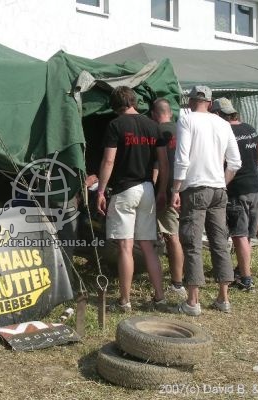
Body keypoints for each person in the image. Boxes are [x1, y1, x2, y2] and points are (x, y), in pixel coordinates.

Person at [170, 86, 241, 316]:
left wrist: (175, 189)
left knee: (192, 242)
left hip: (195, 188)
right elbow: (235, 162)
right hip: (218, 189)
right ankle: (223, 297)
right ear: (210, 103)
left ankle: (193, 301)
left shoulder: (187, 120)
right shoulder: (223, 123)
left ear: (191, 101)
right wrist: (222, 181)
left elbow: (182, 158)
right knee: (219, 241)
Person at [97, 86, 168, 312]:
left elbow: (109, 161)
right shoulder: (153, 125)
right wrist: (162, 190)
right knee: (148, 246)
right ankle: (160, 297)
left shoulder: (115, 125)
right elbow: (163, 163)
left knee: (125, 247)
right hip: (147, 188)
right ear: (134, 101)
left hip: (124, 190)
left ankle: (125, 301)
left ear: (115, 105)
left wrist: (100, 191)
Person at [211, 98, 258, 292]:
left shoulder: (224, 131)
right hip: (256, 187)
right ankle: (242, 270)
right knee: (246, 234)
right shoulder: (250, 129)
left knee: (239, 235)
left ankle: (246, 279)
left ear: (218, 114)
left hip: (237, 189)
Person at [151, 98, 186, 298]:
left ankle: (177, 283)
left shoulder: (157, 131)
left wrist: (161, 191)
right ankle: (185, 277)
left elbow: (159, 165)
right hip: (186, 188)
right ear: (171, 113)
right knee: (183, 235)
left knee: (172, 237)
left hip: (170, 190)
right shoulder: (182, 129)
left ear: (154, 115)